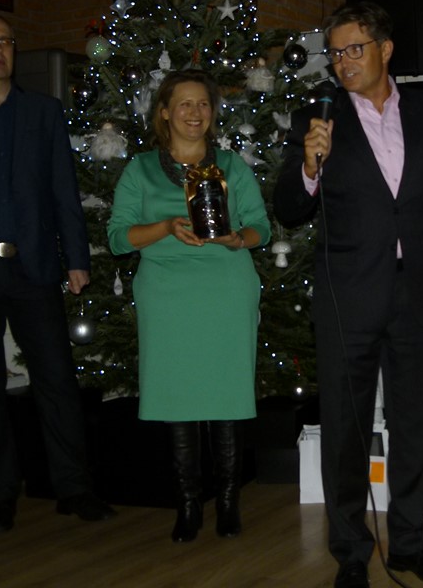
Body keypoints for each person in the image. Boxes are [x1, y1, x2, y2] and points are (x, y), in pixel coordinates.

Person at [274, 1, 423, 588]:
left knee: (414, 423)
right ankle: (350, 550)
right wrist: (309, 166)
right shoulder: (316, 118)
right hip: (348, 296)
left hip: (417, 290)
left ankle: (411, 544)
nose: (343, 62)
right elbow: (288, 209)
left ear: (385, 49)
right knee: (345, 428)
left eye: (355, 49)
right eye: (335, 52)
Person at [0, 11, 116, 532]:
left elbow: (64, 189)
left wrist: (77, 258)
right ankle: (0, 494)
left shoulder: (44, 113)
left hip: (34, 266)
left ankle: (74, 488)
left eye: (5, 40)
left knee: (57, 379)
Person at [107, 71, 270, 542]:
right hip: (167, 295)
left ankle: (227, 503)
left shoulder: (232, 166)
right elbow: (118, 238)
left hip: (226, 288)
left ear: (213, 113)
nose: (195, 113)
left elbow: (261, 227)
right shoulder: (140, 170)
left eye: (203, 104)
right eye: (184, 104)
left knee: (227, 395)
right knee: (176, 397)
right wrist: (165, 227)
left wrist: (239, 238)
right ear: (164, 112)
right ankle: (188, 505)